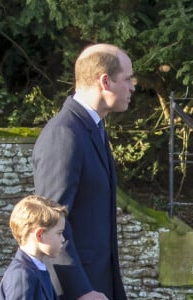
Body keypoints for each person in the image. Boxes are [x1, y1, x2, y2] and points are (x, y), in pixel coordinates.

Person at [32, 43, 135, 300]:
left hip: (98, 282)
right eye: (127, 78)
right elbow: (50, 222)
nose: (133, 86)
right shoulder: (64, 134)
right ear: (105, 81)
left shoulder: (93, 128)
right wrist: (79, 291)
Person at [0, 195, 68, 300]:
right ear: (39, 235)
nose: (63, 239)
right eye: (59, 233)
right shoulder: (21, 275)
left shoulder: (38, 268)